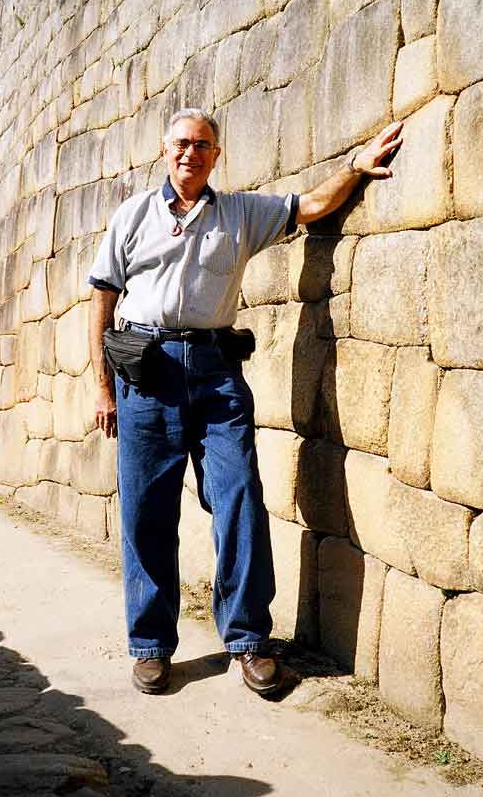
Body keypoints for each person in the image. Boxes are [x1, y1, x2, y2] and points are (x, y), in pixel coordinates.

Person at [89, 107, 402, 696]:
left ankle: (248, 641)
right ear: (165, 149)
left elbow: (308, 206)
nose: (191, 153)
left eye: (203, 145)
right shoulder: (132, 216)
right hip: (146, 374)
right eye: (182, 143)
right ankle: (152, 645)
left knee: (240, 498)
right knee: (146, 513)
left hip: (214, 373)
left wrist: (356, 169)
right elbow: (103, 300)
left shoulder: (240, 212)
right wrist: (102, 385)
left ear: (217, 154)